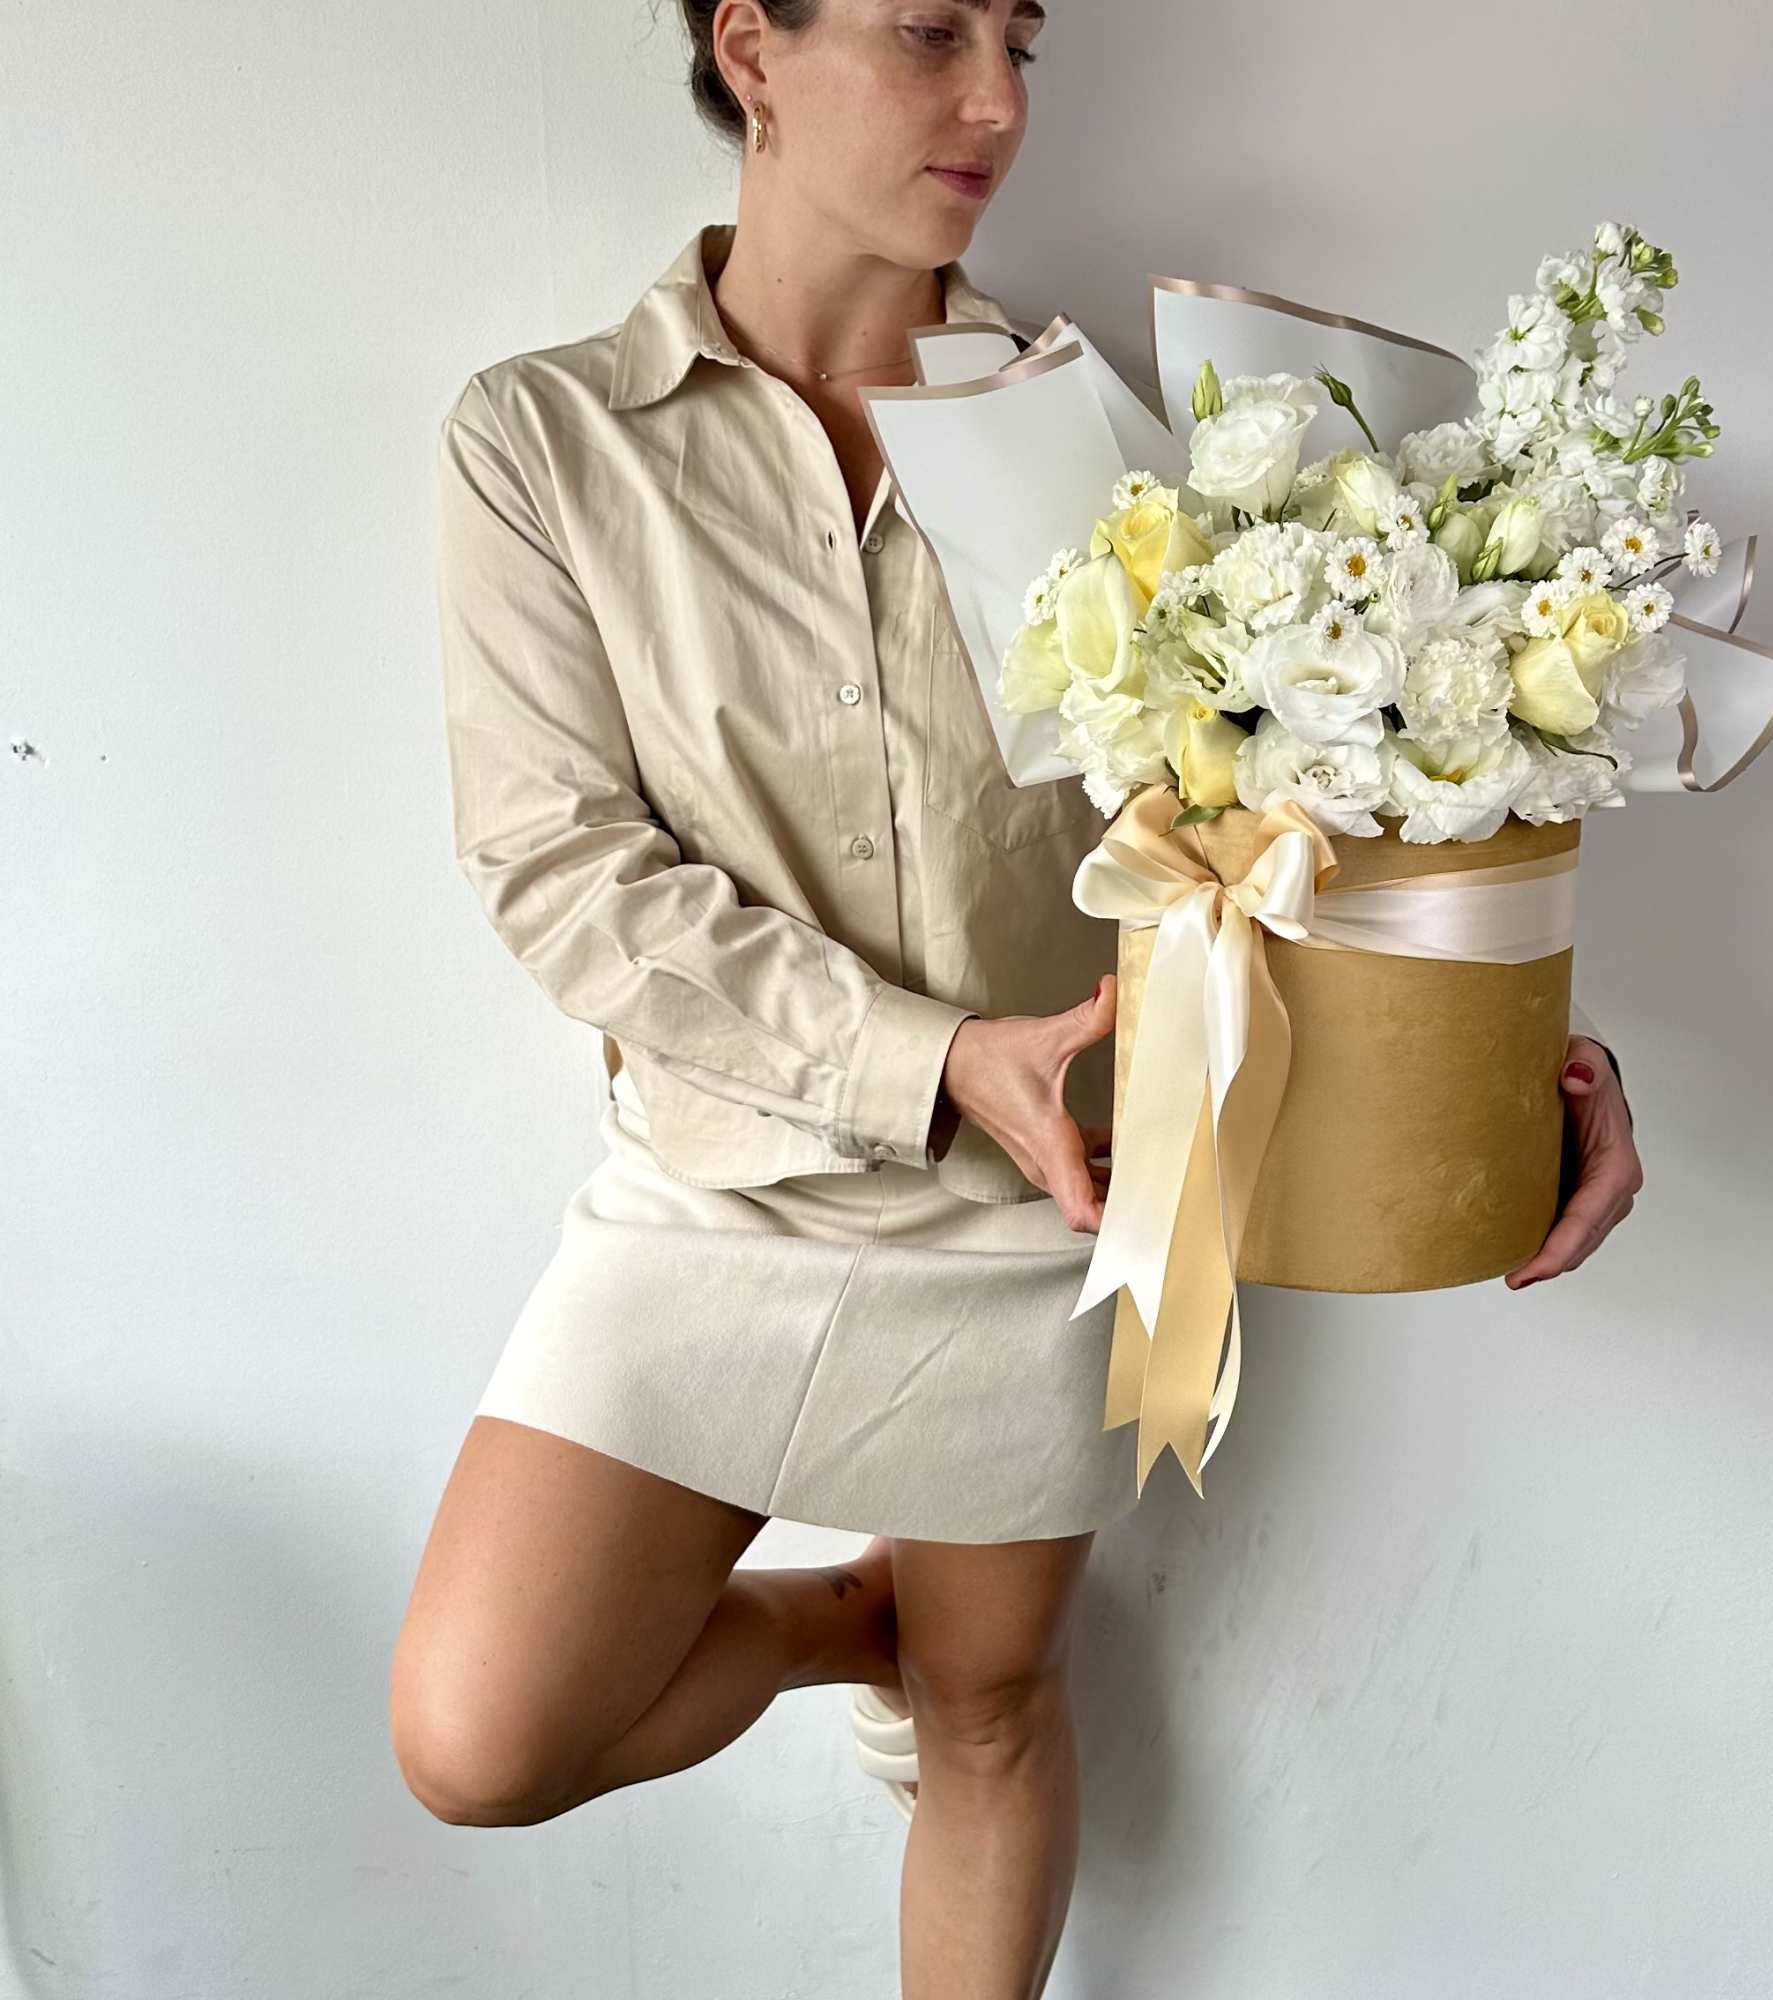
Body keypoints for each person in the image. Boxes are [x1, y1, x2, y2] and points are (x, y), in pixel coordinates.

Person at [388, 0, 1644, 1992]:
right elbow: (562, 869)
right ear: (753, 48)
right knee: (480, 1736)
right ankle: (841, 1622)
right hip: (730, 1184)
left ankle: (928, 1645)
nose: (997, 103)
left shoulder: (1118, 438)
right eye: (928, 33)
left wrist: (1517, 1079)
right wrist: (935, 1054)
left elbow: (1316, 815)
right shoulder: (541, 441)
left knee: (989, 1709)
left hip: (1057, 1199)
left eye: (1023, 42)